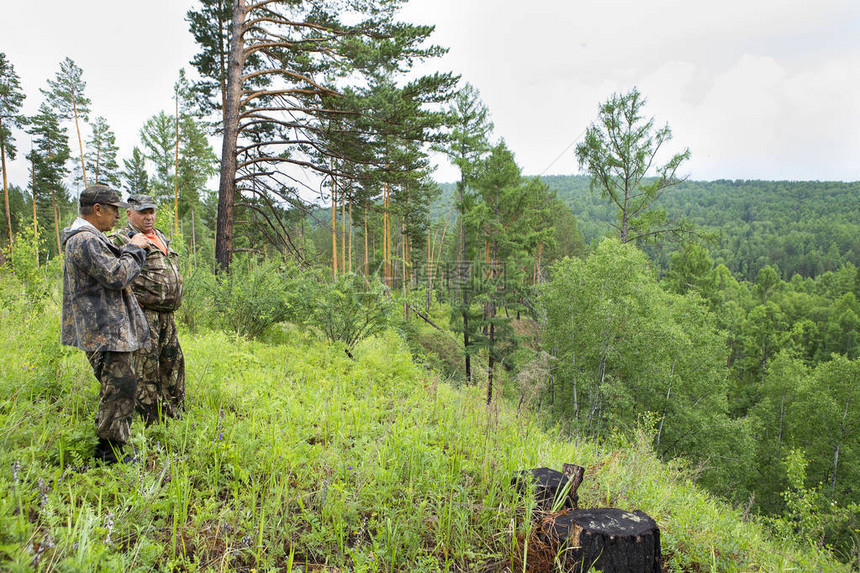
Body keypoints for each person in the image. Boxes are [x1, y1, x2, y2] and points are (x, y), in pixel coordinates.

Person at [61, 184, 151, 464]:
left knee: (118, 386)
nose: (117, 216)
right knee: (120, 386)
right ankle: (109, 454)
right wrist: (134, 249)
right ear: (97, 209)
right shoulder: (85, 240)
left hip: (105, 328)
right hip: (105, 329)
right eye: (114, 210)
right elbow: (116, 276)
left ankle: (110, 446)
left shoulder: (90, 238)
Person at [110, 194, 185, 426]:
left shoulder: (160, 236)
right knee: (146, 368)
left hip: (167, 315)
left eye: (151, 211)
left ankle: (175, 413)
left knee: (173, 363)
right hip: (144, 315)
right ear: (129, 213)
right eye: (143, 212)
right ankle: (149, 421)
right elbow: (113, 274)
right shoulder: (120, 238)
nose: (149, 216)